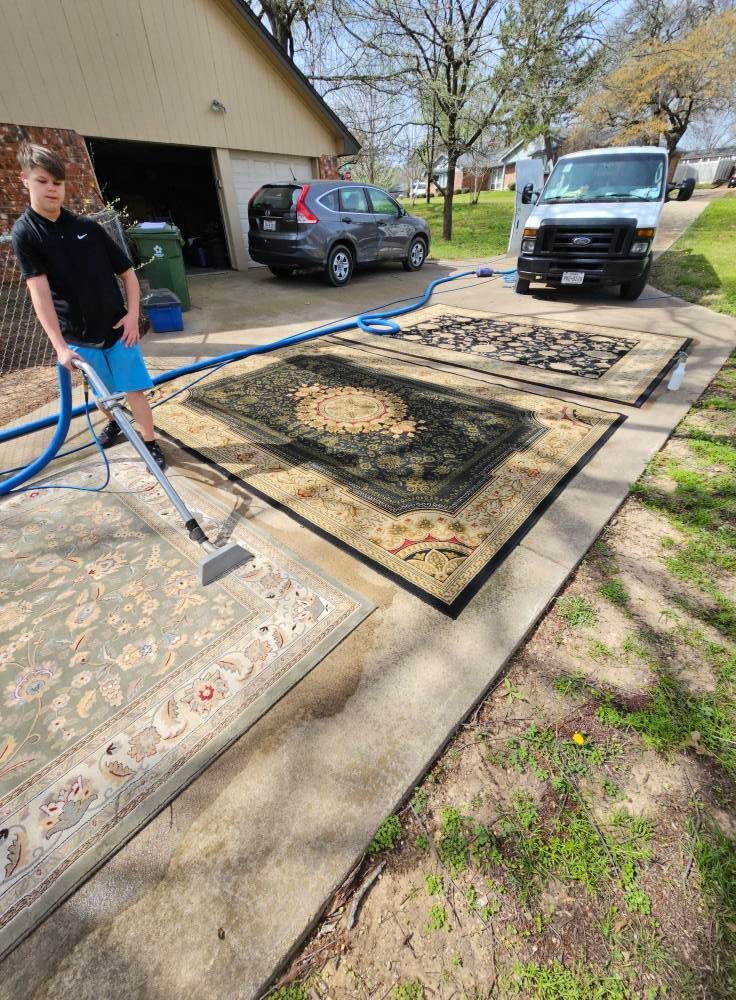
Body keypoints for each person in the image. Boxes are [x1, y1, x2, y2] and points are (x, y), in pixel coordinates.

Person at [10, 143, 166, 470]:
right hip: (78, 338)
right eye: (42, 181)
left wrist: (132, 317)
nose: (52, 189)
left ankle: (150, 443)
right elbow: (39, 296)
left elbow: (128, 275)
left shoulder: (87, 228)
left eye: (57, 182)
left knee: (135, 389)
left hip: (117, 329)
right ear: (25, 181)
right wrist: (60, 348)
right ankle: (113, 421)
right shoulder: (26, 234)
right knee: (102, 394)